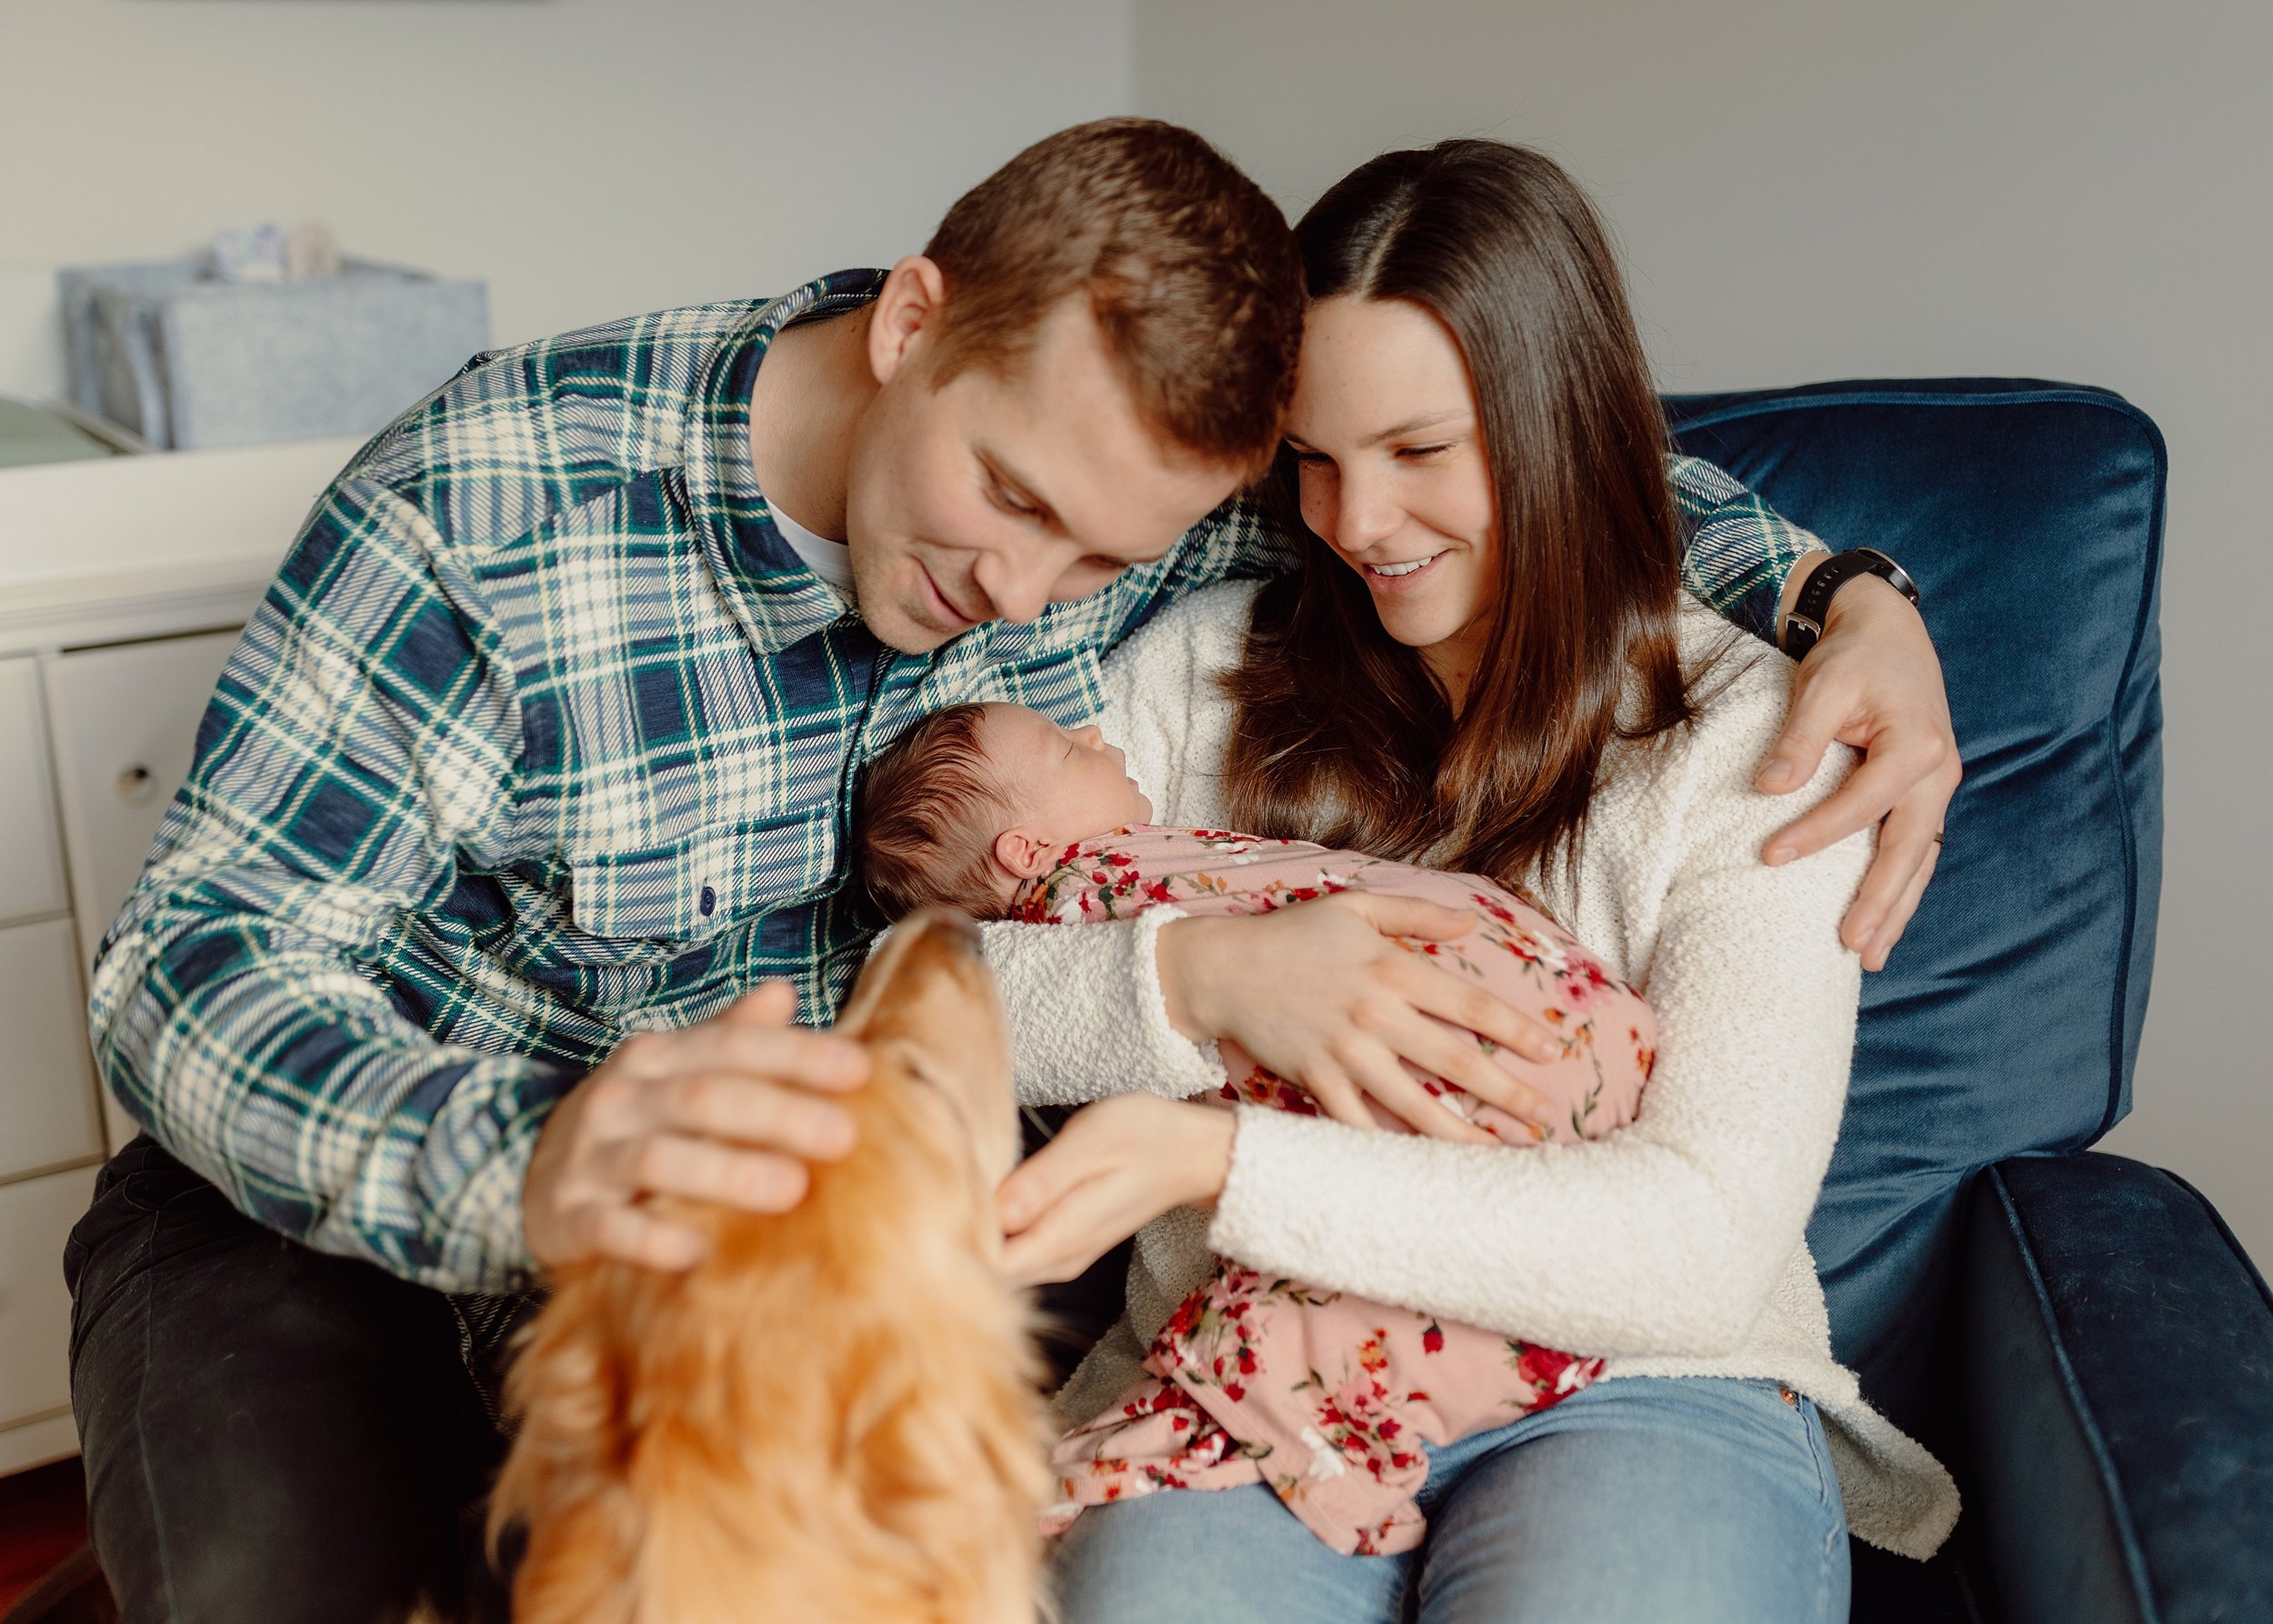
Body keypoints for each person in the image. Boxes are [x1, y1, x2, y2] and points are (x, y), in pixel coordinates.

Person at [65, 118, 1954, 1620]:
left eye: (1096, 558)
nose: (1029, 595)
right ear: (911, 326)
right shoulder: (488, 504)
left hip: (809, 1225)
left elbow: (1519, 493)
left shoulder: (1168, 522)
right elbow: (195, 958)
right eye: (1013, 506)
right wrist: (528, 1159)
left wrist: (1840, 594)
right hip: (367, 1185)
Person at [978, 140, 1959, 1623]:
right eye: (1313, 457)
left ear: (1558, 421)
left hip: (1642, 1378)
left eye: (1421, 452)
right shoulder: (1192, 681)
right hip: (1243, 1377)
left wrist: (1225, 1167)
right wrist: (1197, 984)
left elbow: (1693, 1243)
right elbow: (945, 991)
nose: (1358, 522)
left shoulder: (1759, 739)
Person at [850, 699, 1657, 1556]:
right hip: (1561, 1049)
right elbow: (920, 997)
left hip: (1536, 1091)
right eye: (1061, 745)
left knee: (1283, 1346)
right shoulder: (1095, 891)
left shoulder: (1170, 862)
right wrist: (1202, 975)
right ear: (1028, 853)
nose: (1093, 730)